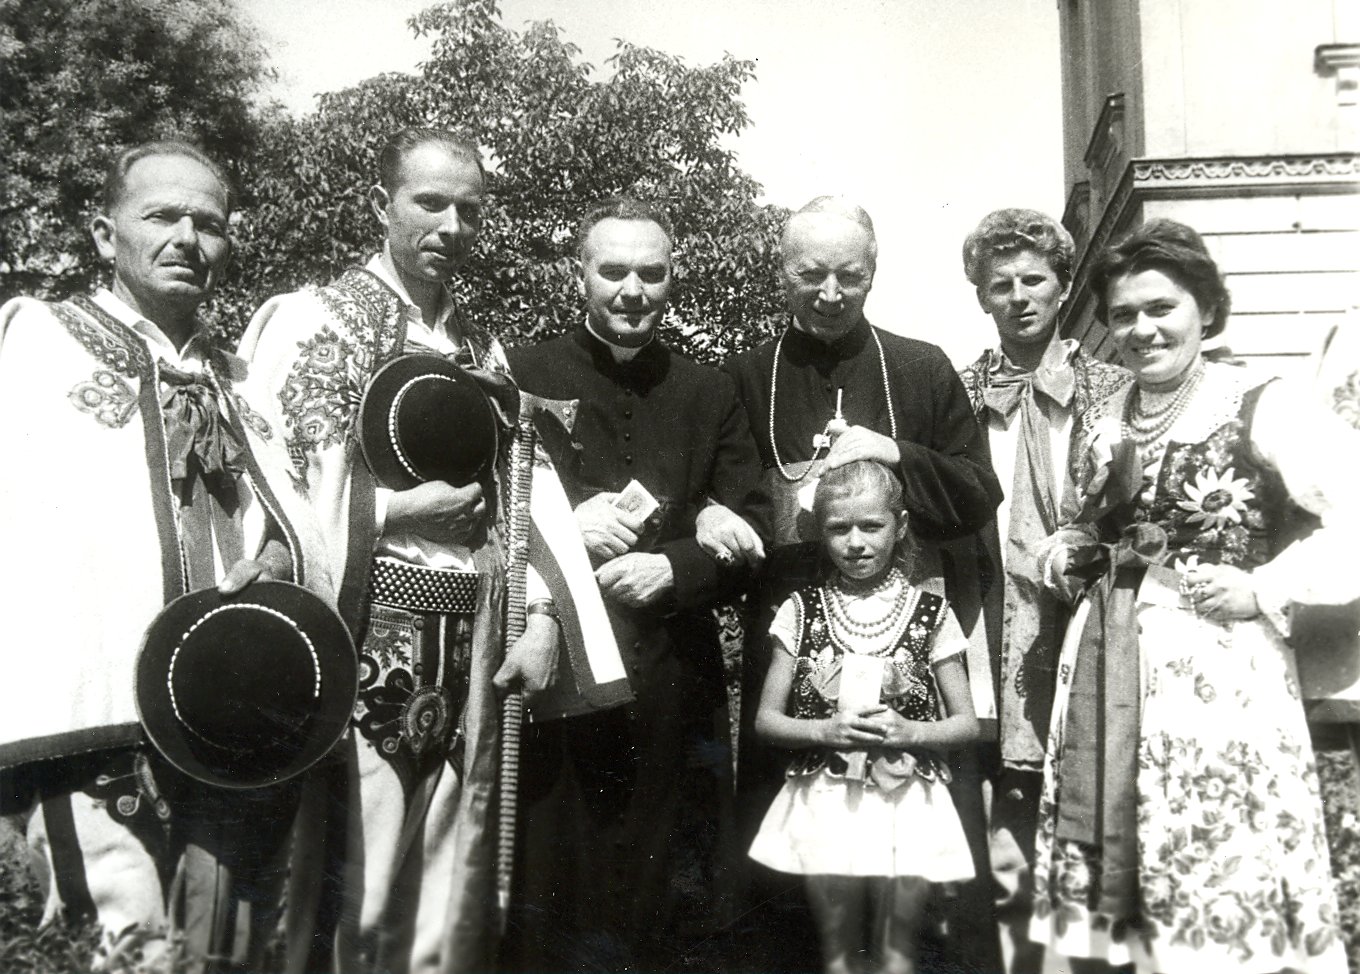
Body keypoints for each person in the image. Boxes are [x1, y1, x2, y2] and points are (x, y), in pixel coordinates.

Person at [0, 141, 332, 971]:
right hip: (90, 723)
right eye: (162, 215)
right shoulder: (32, 341)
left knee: (230, 944)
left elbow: (293, 517)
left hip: (230, 721)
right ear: (103, 233)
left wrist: (282, 561)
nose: (188, 236)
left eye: (208, 222)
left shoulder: (240, 376)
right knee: (120, 947)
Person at [237, 127, 557, 974]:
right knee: (355, 873)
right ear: (380, 206)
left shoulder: (479, 349)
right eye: (430, 202)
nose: (452, 226)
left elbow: (528, 498)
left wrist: (544, 613)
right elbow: (273, 489)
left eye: (470, 210)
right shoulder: (315, 321)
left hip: (472, 642)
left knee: (444, 880)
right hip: (361, 627)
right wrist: (394, 506)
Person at [1031, 218, 1360, 973]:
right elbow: (1088, 531)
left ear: (1206, 310)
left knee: (1215, 861)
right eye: (1123, 315)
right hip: (1112, 674)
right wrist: (1072, 553)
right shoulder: (1108, 420)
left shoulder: (1258, 402)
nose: (1142, 330)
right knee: (1123, 885)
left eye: (1161, 308)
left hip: (1221, 684)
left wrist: (1268, 588)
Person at [724, 196, 1003, 971]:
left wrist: (898, 453)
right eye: (810, 274)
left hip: (908, 637)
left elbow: (981, 493)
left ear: (874, 271)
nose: (831, 292)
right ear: (781, 272)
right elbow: (729, 498)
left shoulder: (919, 366)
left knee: (916, 880)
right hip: (794, 639)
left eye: (850, 274)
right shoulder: (748, 375)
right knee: (794, 875)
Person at [502, 197, 769, 972]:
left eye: (650, 273)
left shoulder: (708, 389)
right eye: (611, 270)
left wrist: (676, 567)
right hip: (556, 667)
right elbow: (488, 512)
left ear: (671, 279)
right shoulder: (522, 370)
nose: (631, 289)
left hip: (669, 675)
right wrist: (561, 526)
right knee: (553, 879)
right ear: (578, 274)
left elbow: (750, 517)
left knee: (660, 893)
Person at [953, 208, 1130, 972]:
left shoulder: (1113, 386)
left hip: (1082, 611)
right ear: (982, 297)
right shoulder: (957, 392)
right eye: (1001, 286)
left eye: (1034, 281)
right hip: (984, 611)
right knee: (998, 808)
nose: (1019, 297)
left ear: (1062, 288)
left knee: (1082, 795)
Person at [750, 459, 980, 974]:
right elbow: (767, 720)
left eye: (871, 525)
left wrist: (913, 730)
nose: (855, 541)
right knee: (837, 952)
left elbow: (967, 723)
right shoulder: (801, 610)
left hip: (910, 799)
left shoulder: (931, 613)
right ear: (818, 532)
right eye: (839, 528)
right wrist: (822, 729)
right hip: (825, 797)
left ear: (899, 527)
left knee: (897, 950)